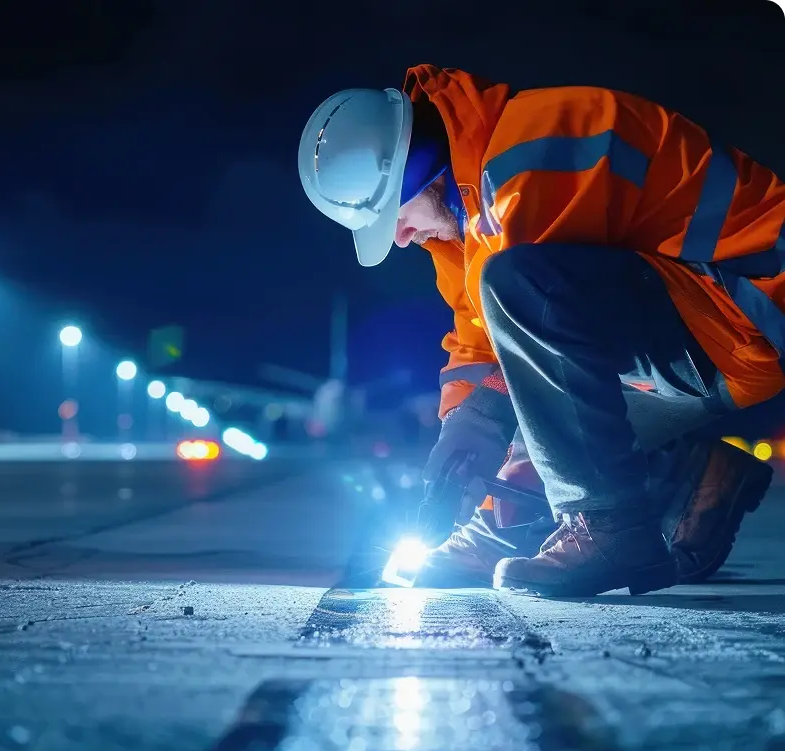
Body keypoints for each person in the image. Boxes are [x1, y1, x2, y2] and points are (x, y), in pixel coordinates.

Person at [297, 64, 781, 597]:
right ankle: (687, 478)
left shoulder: (531, 146)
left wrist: (485, 420)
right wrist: (462, 440)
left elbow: (538, 315)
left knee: (520, 296)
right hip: (703, 338)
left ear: (420, 169)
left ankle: (610, 530)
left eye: (394, 214)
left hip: (750, 301)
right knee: (518, 402)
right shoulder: (466, 220)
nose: (403, 237)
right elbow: (482, 347)